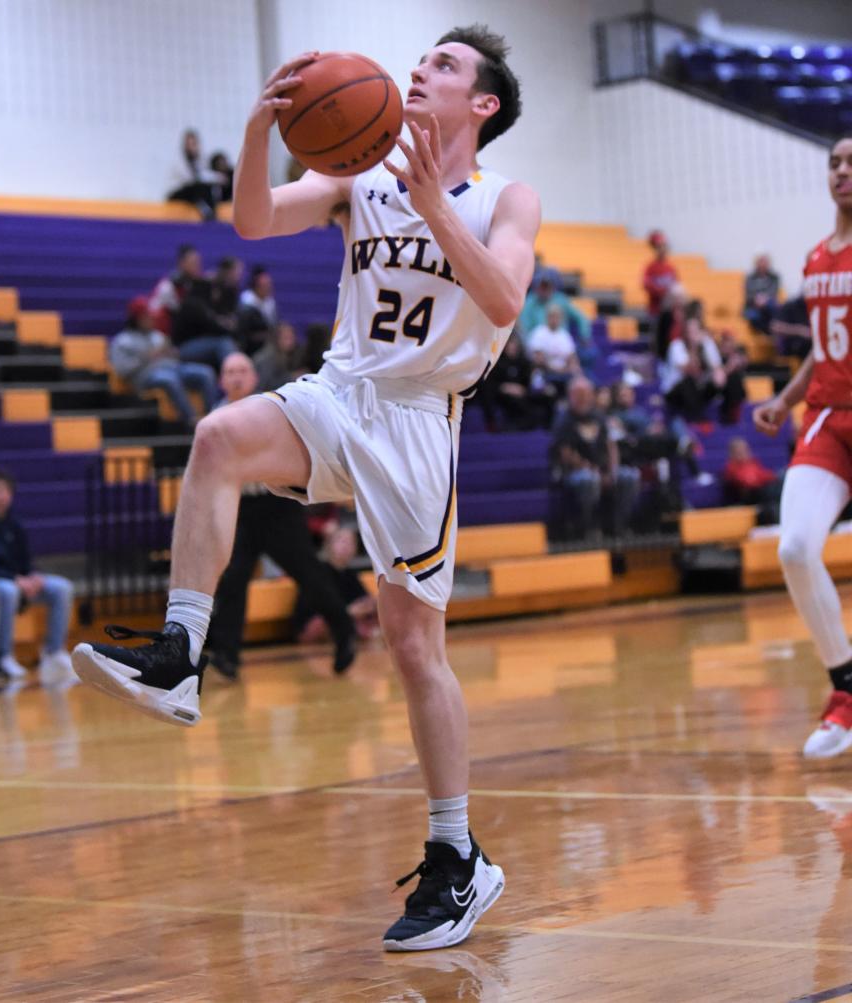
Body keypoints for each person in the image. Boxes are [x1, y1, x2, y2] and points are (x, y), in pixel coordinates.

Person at [72, 25, 536, 951]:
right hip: (340, 389)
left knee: (412, 645)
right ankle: (181, 652)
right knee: (216, 438)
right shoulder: (359, 166)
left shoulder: (503, 197)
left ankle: (459, 856)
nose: (420, 71)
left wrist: (430, 203)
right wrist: (257, 132)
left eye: (444, 66)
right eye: (420, 60)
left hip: (417, 421)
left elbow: (504, 301)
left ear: (482, 104)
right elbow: (253, 220)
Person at [753, 135, 852, 759]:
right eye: (836, 163)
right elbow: (824, 346)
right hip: (828, 418)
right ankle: (845, 689)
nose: (842, 172)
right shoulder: (817, 257)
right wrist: (786, 401)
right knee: (793, 547)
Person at [201, 352, 356, 681]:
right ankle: (227, 656)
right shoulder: (215, 417)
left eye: (242, 370)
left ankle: (344, 629)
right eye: (230, 371)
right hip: (241, 510)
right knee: (232, 581)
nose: (237, 377)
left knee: (308, 574)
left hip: (276, 507)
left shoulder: (266, 409)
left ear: (253, 377)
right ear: (221, 380)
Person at [0, 470, 76, 684]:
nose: (0, 496)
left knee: (62, 587)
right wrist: (15, 579)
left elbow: (25, 560)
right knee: (8, 590)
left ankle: (53, 651)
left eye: (4, 491)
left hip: (19, 579)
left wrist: (33, 576)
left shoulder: (15, 524)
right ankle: (4, 655)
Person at [550, 376, 641, 539]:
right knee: (589, 480)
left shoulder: (599, 416)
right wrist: (595, 471)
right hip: (574, 473)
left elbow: (611, 446)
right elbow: (566, 454)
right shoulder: (563, 420)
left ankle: (618, 526)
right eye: (579, 394)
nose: (583, 398)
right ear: (571, 396)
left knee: (629, 476)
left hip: (602, 470)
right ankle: (588, 528)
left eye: (586, 394)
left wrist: (612, 471)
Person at [110, 296, 218, 425]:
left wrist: (172, 353)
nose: (151, 319)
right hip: (145, 376)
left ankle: (212, 418)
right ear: (136, 319)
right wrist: (146, 357)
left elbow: (175, 357)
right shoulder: (122, 341)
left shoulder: (158, 335)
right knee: (169, 379)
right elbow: (122, 370)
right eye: (146, 317)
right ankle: (192, 419)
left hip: (173, 368)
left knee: (205, 372)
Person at [292, 526, 379, 643]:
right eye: (342, 541)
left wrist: (370, 604)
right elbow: (321, 609)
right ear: (329, 544)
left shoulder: (350, 574)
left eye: (351, 542)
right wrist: (350, 611)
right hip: (313, 624)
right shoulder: (318, 572)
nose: (346, 546)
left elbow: (363, 600)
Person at [722, 437, 782, 521]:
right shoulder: (731, 467)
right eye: (739, 450)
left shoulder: (753, 463)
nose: (743, 452)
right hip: (749, 498)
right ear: (732, 453)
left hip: (763, 493)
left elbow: (767, 475)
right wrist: (757, 479)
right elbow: (747, 481)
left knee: (781, 478)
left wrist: (759, 478)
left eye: (744, 449)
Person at [167, 128, 219, 220]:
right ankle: (206, 210)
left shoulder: (201, 161)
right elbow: (188, 180)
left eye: (193, 144)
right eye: (189, 144)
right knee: (197, 187)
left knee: (206, 188)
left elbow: (206, 176)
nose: (191, 147)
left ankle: (211, 212)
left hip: (193, 192)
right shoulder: (179, 162)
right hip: (178, 192)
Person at [528, 303, 581, 383]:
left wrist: (570, 368)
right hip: (545, 372)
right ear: (547, 317)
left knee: (578, 374)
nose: (554, 319)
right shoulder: (539, 333)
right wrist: (556, 370)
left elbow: (572, 357)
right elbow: (538, 358)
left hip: (564, 372)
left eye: (557, 317)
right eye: (552, 316)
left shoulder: (565, 335)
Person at [252, 322, 303, 392]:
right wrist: (292, 377)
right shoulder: (266, 359)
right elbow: (264, 385)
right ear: (277, 339)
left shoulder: (290, 354)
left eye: (292, 337)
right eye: (286, 338)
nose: (290, 342)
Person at [643, 230, 679, 316]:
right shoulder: (650, 267)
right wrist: (663, 291)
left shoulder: (671, 268)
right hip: (655, 310)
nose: (662, 250)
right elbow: (646, 284)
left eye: (664, 247)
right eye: (659, 247)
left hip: (669, 310)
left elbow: (676, 285)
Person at [744, 253, 781, 336]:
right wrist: (756, 299)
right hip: (753, 306)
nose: (763, 264)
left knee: (774, 308)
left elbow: (774, 292)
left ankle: (772, 332)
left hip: (768, 305)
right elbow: (748, 294)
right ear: (756, 263)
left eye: (765, 262)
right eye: (761, 262)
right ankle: (768, 332)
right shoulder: (750, 278)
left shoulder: (774, 277)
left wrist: (764, 299)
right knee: (754, 316)